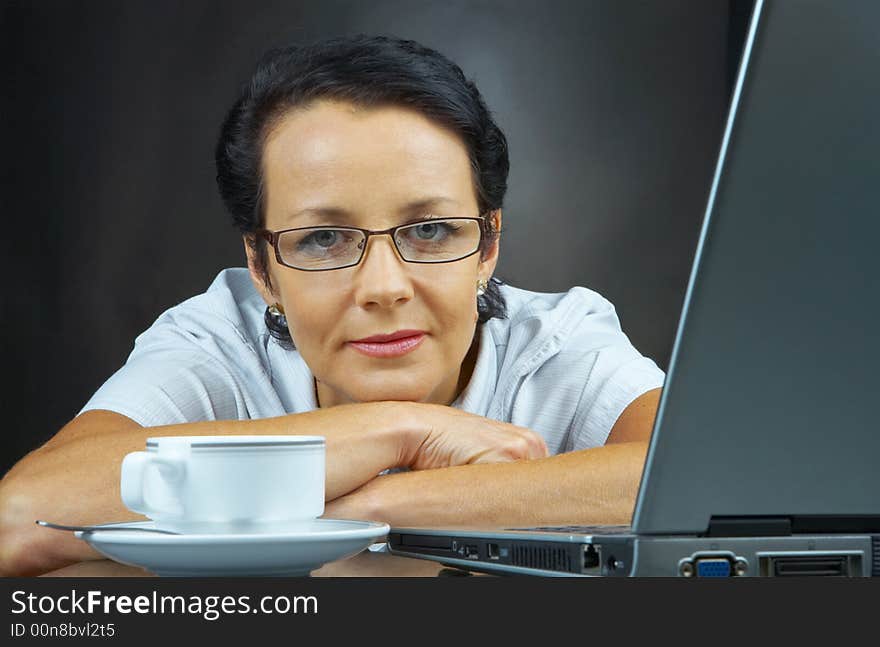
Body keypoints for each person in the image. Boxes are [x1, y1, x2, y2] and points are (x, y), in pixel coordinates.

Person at [0, 34, 664, 576]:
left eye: (430, 230)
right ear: (261, 268)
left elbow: (714, 483)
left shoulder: (560, 342)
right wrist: (401, 430)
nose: (384, 287)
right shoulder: (215, 343)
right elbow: (19, 515)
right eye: (322, 238)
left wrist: (373, 509)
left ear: (487, 244)